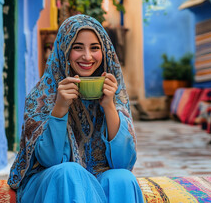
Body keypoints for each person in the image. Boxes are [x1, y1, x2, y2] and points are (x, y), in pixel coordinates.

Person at [8, 14, 143, 203]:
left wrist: (109, 106)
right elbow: (49, 160)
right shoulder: (41, 96)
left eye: (95, 48)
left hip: (97, 177)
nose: (87, 56)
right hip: (52, 182)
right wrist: (60, 108)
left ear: (104, 52)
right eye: (77, 47)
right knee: (69, 173)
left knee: (122, 179)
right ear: (64, 50)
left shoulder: (113, 93)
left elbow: (124, 163)